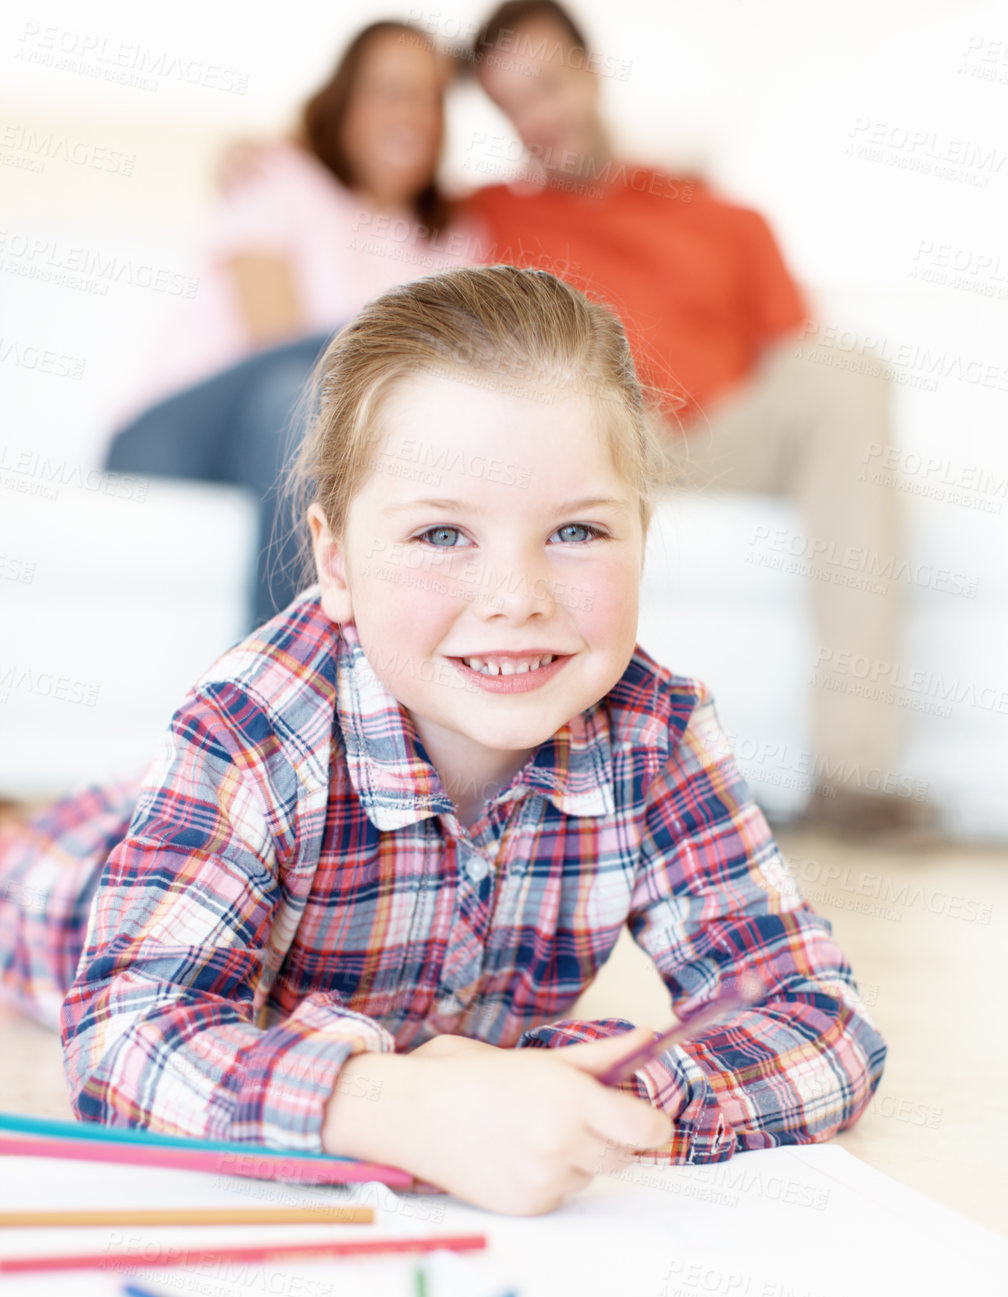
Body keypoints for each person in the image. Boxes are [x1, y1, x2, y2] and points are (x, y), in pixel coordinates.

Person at [1, 267, 885, 1216]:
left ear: (643, 535)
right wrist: (396, 1106)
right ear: (335, 564)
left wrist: (589, 1092)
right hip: (78, 884)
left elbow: (823, 1025)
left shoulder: (655, 730)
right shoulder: (245, 729)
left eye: (578, 530)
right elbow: (124, 1039)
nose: (516, 596)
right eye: (440, 536)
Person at [464, 1, 926, 841]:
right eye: (511, 105)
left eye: (547, 85)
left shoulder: (725, 219)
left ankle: (851, 774)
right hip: (594, 436)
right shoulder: (488, 217)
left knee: (850, 374)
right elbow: (366, 176)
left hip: (713, 437)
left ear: (591, 71)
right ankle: (558, 786)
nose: (538, 119)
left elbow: (798, 361)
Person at [106, 19, 482, 625]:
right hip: (179, 430)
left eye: (429, 97)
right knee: (309, 389)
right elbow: (278, 340)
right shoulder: (279, 177)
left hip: (330, 432)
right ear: (345, 104)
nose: (412, 113)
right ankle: (281, 690)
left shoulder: (453, 240)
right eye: (390, 90)